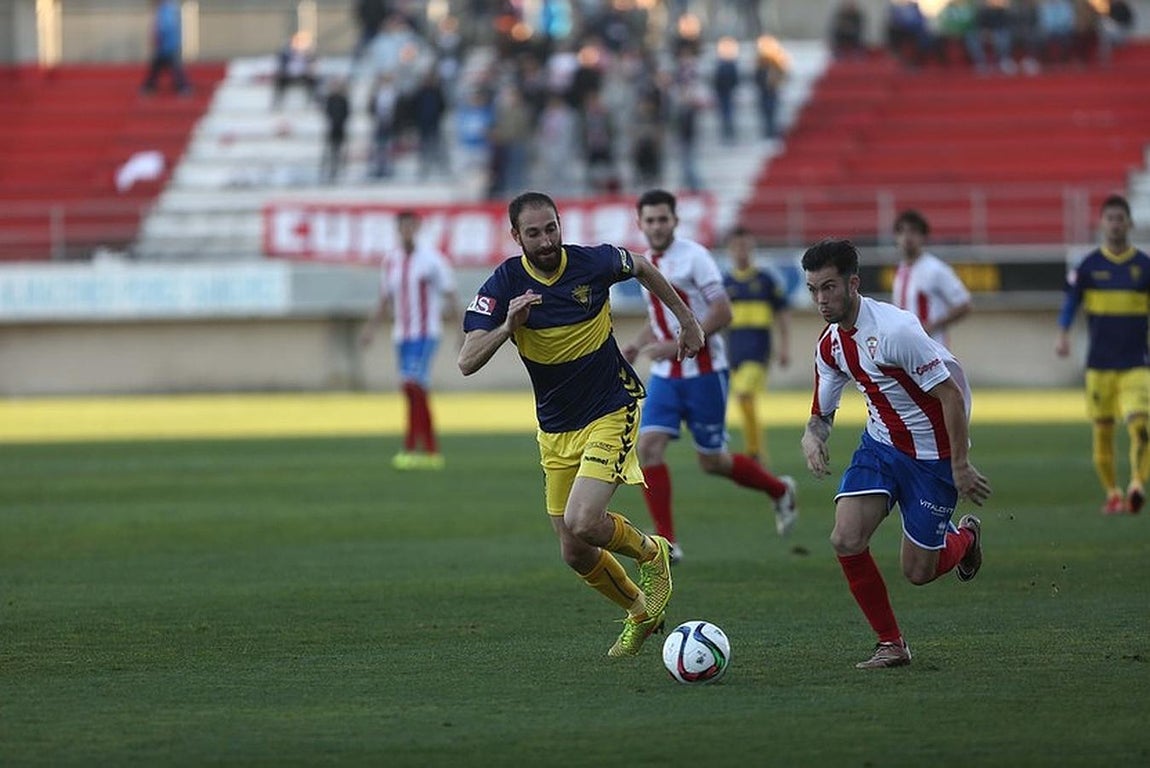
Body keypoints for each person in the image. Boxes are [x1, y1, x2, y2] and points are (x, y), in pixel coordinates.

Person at [458, 191, 704, 658]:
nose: (547, 240)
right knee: (573, 550)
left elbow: (643, 267)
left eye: (551, 227)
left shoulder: (592, 263)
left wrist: (686, 320)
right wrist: (510, 326)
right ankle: (642, 610)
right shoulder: (504, 283)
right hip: (555, 429)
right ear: (516, 237)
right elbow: (467, 361)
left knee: (584, 520)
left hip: (611, 406)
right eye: (534, 233)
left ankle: (654, 553)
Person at [800, 238, 989, 669]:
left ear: (853, 284)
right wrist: (814, 437)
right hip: (881, 446)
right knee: (845, 538)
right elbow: (822, 413)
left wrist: (959, 464)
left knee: (918, 572)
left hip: (933, 455)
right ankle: (891, 644)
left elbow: (951, 396)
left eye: (829, 287)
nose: (821, 300)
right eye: (813, 290)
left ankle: (967, 538)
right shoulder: (829, 345)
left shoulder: (896, 331)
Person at [623, 190, 798, 565]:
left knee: (712, 461)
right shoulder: (643, 262)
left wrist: (683, 340)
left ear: (675, 221)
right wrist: (637, 345)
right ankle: (668, 544)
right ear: (640, 224)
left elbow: (723, 310)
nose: (656, 226)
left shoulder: (695, 257)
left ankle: (779, 488)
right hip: (665, 375)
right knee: (648, 447)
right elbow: (661, 319)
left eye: (662, 219)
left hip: (705, 372)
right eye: (649, 220)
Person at [1055, 194, 1150, 515]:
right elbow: (1071, 303)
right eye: (1110, 218)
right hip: (1099, 366)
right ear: (1102, 223)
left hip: (1137, 363)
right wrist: (1063, 334)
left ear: (1129, 223)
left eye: (1120, 218)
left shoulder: (1144, 266)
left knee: (1141, 426)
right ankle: (1113, 493)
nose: (1115, 224)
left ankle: (1137, 484)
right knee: (1103, 432)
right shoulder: (1089, 266)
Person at [360, 210, 457, 470]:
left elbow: (450, 293)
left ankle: (413, 448)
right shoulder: (391, 260)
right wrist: (370, 329)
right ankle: (430, 451)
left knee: (413, 384)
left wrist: (462, 330)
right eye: (402, 227)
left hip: (426, 334)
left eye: (410, 226)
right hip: (402, 335)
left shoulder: (432, 260)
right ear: (398, 229)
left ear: (417, 228)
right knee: (412, 391)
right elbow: (384, 298)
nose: (406, 231)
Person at [723, 226, 791, 465]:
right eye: (737, 247)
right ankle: (754, 451)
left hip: (758, 350)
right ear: (730, 250)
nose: (741, 252)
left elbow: (782, 314)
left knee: (743, 395)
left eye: (745, 246)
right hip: (734, 351)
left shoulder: (765, 280)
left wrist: (784, 347)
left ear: (752, 248)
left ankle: (755, 449)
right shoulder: (725, 282)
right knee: (745, 400)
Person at [890, 210, 972, 348]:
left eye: (913, 231)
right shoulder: (901, 269)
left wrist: (932, 326)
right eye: (902, 231)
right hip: (906, 347)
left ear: (923, 236)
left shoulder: (936, 269)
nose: (907, 237)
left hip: (932, 347)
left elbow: (964, 304)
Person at [140, 0, 190, 95]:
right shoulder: (166, 8)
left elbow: (166, 26)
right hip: (167, 45)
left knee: (172, 67)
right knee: (158, 67)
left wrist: (158, 38)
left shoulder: (167, 8)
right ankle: (149, 87)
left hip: (168, 45)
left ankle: (183, 87)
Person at [272, 31, 319, 109]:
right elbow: (280, 64)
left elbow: (313, 64)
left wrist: (310, 69)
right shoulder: (285, 53)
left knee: (314, 80)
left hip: (303, 74)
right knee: (280, 81)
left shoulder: (308, 53)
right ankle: (277, 103)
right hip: (288, 75)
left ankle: (312, 101)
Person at [320, 78, 351, 184]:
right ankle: (327, 171)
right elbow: (327, 112)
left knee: (339, 151)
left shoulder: (344, 99)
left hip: (340, 129)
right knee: (329, 151)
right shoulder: (330, 99)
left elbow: (347, 113)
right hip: (332, 129)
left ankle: (338, 171)